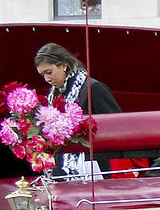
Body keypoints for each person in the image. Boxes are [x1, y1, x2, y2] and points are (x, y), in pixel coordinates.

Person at [34, 43, 122, 177]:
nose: (47, 79)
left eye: (49, 72)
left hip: (93, 168)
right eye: (43, 75)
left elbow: (116, 125)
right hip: (62, 169)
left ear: (64, 65)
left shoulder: (93, 89)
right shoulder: (54, 95)